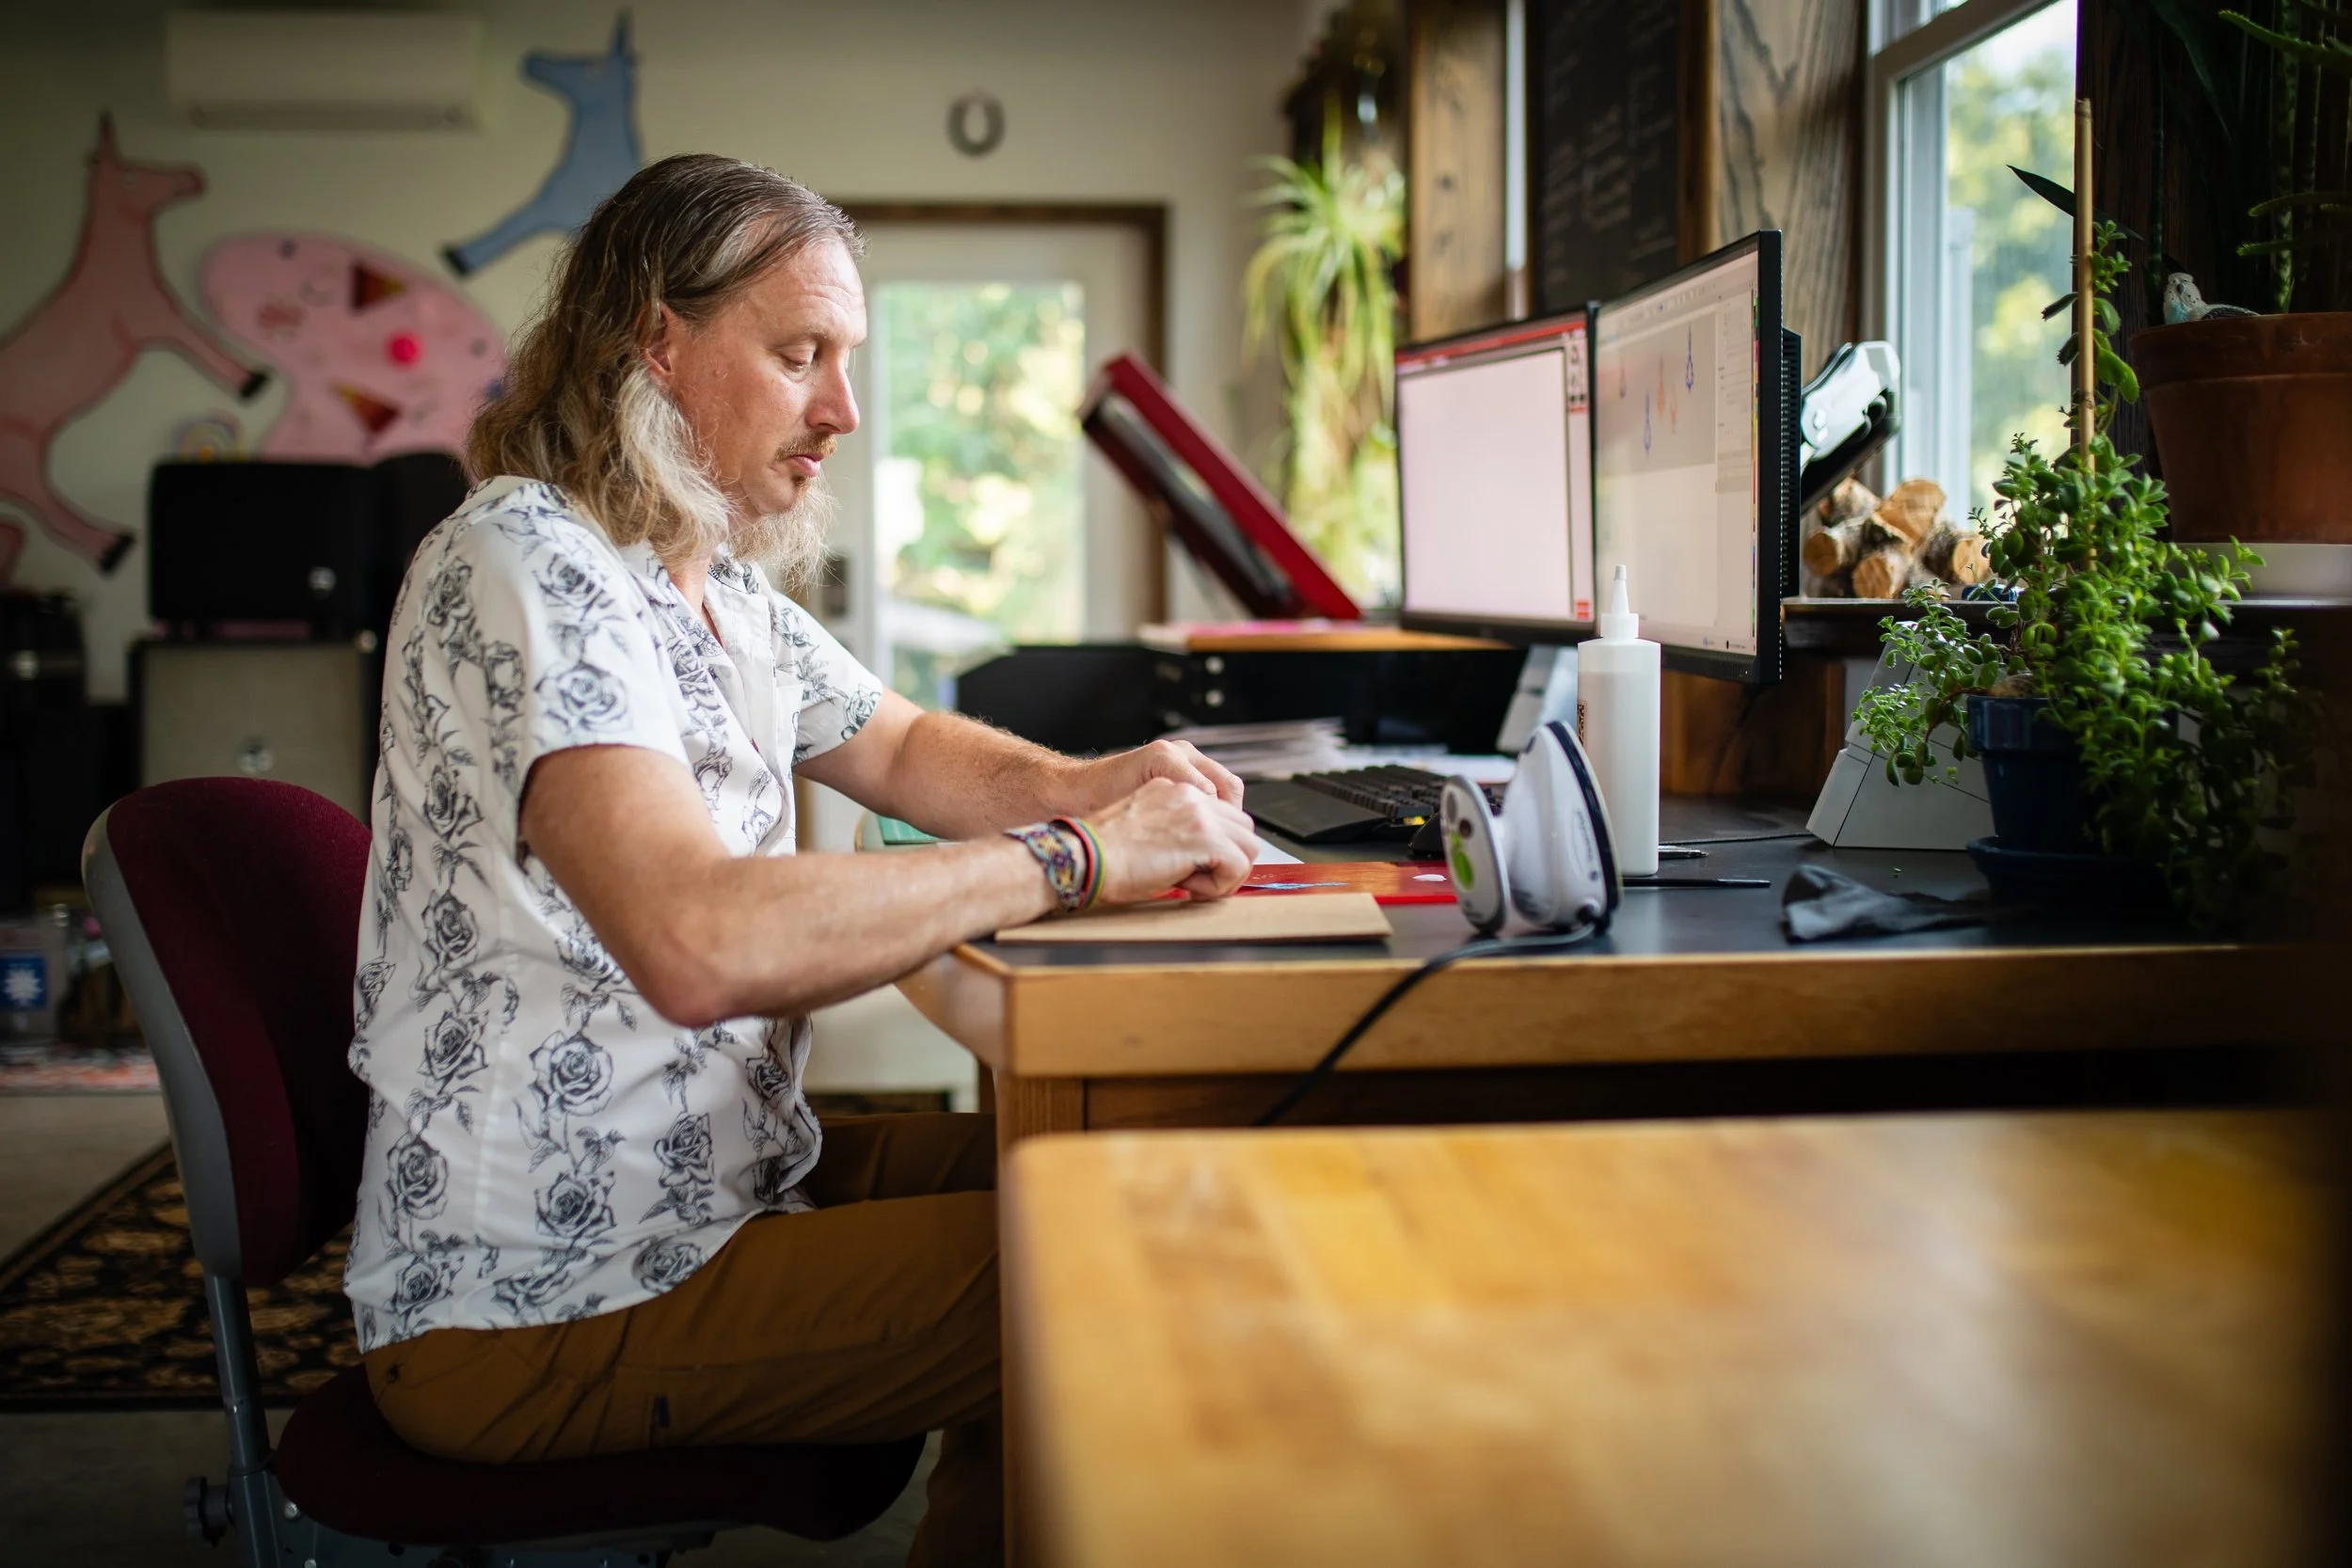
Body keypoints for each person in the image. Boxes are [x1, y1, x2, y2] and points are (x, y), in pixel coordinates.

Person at [342, 153, 1260, 1568]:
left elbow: (902, 752)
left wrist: (1112, 783)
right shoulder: (530, 561)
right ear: (656, 344)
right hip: (537, 1294)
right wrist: (1077, 854)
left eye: (845, 360)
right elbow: (697, 937)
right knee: (1126, 1272)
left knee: (1126, 1172)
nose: (841, 410)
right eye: (799, 355)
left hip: (716, 1187)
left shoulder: (707, 582)